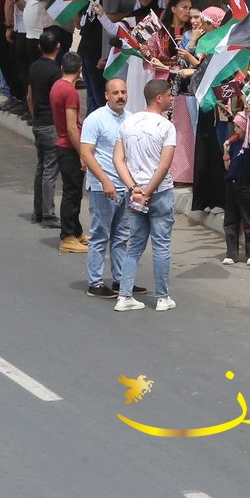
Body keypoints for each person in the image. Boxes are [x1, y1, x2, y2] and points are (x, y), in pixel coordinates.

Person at [112, 80, 179, 312]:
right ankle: (162, 297)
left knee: (134, 245)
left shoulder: (128, 123)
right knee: (161, 245)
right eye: (169, 95)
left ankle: (124, 296)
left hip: (135, 194)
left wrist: (134, 189)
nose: (172, 99)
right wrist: (148, 192)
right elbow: (164, 166)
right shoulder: (167, 127)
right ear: (159, 98)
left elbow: (118, 159)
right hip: (159, 193)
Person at [78, 78, 131, 299]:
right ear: (107, 95)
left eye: (123, 92)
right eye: (115, 93)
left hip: (125, 187)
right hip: (103, 188)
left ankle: (120, 280)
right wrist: (105, 181)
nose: (120, 96)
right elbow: (86, 153)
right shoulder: (96, 119)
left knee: (122, 236)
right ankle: (95, 283)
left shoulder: (130, 119)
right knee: (100, 235)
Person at [222, 92, 250, 266]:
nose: (235, 130)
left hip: (245, 186)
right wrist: (226, 152)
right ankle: (231, 253)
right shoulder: (234, 144)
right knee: (230, 221)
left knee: (249, 220)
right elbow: (227, 167)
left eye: (238, 127)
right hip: (231, 185)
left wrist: (248, 113)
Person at [27, 31, 63, 230]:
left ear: (40, 47)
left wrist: (35, 118)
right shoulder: (56, 72)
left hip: (39, 123)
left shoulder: (34, 67)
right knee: (50, 169)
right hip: (51, 125)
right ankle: (48, 214)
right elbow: (57, 101)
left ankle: (38, 211)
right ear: (58, 47)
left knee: (41, 167)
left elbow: (29, 97)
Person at [51, 52, 85, 253]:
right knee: (72, 193)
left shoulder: (57, 86)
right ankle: (67, 236)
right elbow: (72, 127)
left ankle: (76, 232)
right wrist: (83, 154)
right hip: (69, 147)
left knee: (74, 191)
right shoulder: (70, 92)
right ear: (79, 70)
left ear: (62, 68)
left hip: (63, 144)